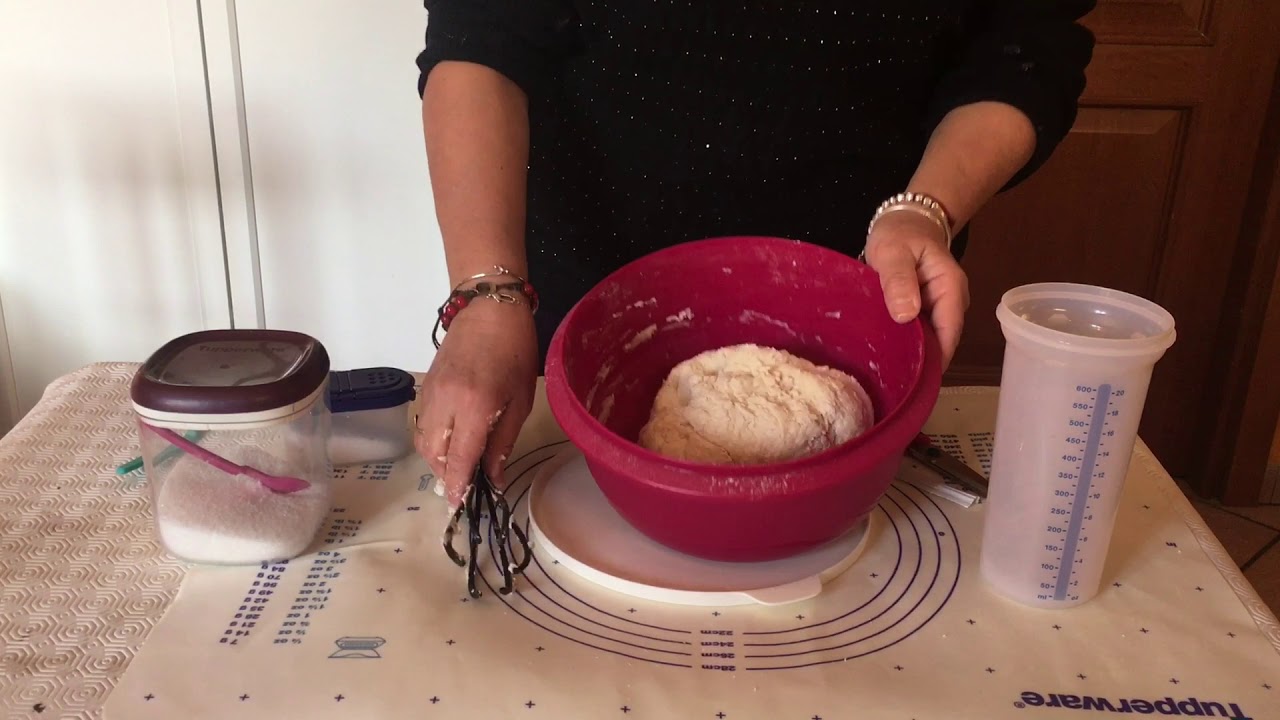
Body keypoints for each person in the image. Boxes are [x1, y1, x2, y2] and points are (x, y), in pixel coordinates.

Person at [412, 1, 1097, 510]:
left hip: (861, 293)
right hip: (594, 309)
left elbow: (1026, 38)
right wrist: (486, 296)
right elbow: (484, 37)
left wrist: (925, 208)